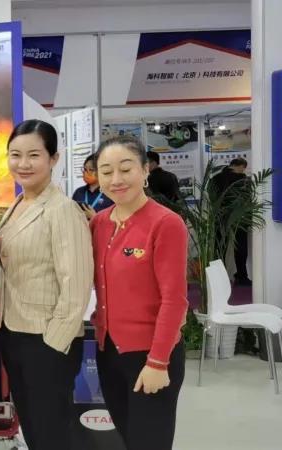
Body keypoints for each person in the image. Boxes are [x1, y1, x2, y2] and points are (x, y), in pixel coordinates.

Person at [0, 120, 94, 450]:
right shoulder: (18, 204)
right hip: (15, 331)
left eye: (34, 155)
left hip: (47, 339)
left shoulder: (62, 209)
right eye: (15, 155)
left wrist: (54, 344)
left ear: (54, 159)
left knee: (52, 432)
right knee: (34, 429)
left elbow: (76, 283)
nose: (23, 164)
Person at [91, 136, 189, 450]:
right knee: (128, 438)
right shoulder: (99, 223)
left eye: (125, 169)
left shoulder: (165, 223)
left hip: (150, 354)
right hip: (109, 352)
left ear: (145, 171)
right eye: (106, 171)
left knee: (150, 441)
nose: (116, 179)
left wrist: (158, 362)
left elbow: (174, 300)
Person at [210, 158, 251, 285]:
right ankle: (241, 277)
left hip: (221, 217)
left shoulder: (215, 179)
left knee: (220, 247)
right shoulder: (244, 180)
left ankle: (218, 277)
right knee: (241, 247)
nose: (243, 171)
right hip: (240, 218)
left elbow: (212, 198)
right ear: (241, 166)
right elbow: (247, 199)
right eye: (243, 168)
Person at [72, 152, 114, 219]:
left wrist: (94, 217)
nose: (86, 173)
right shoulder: (78, 192)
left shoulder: (110, 193)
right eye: (85, 169)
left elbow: (115, 221)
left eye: (91, 170)